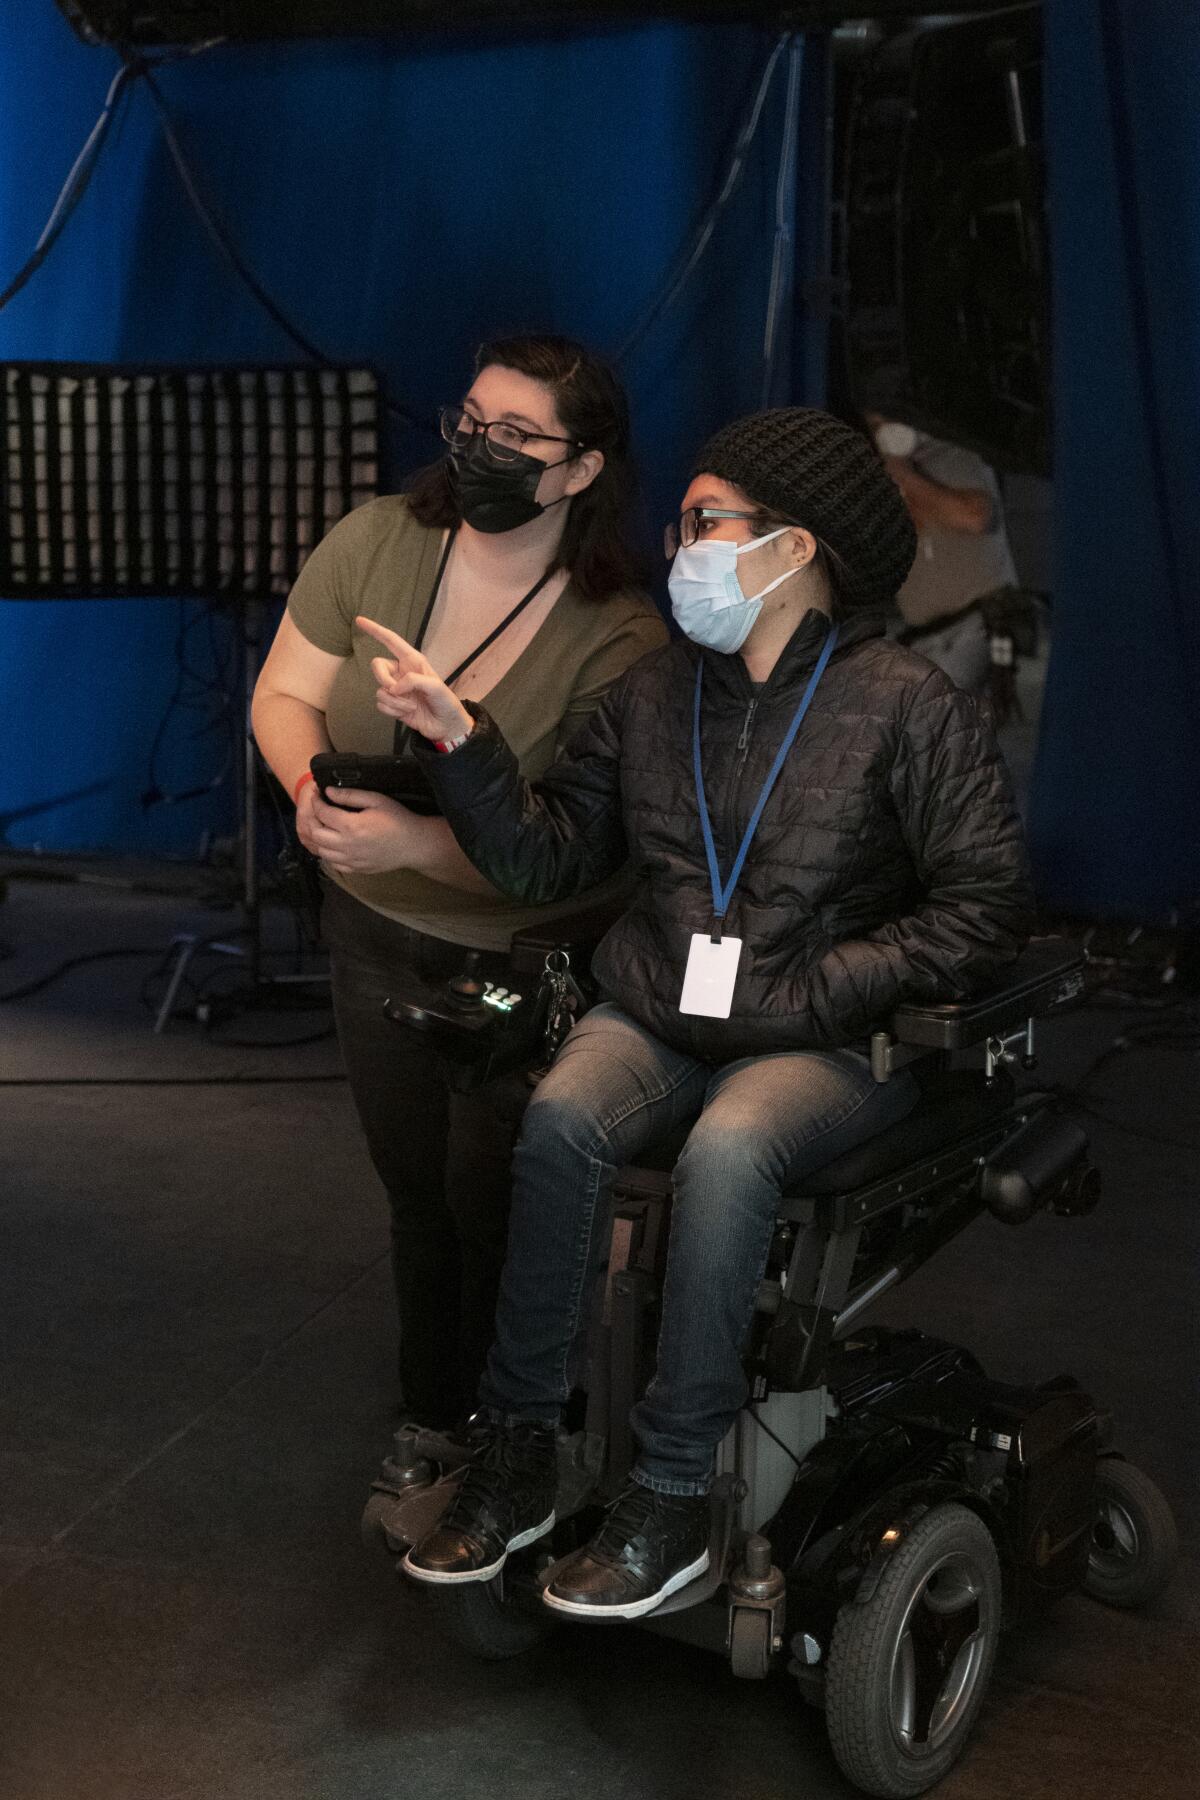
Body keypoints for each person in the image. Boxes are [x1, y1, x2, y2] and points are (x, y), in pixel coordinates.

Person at [356, 407, 1034, 1619]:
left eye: (709, 524)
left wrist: (826, 983)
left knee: (731, 1144)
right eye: (685, 524)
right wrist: (464, 745)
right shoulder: (654, 694)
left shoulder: (906, 703)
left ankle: (671, 1492)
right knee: (560, 1116)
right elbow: (549, 858)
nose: (685, 548)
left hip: (826, 1034)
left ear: (794, 547)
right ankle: (519, 1454)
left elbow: (981, 908)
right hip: (665, 1006)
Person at [250, 334, 667, 1431]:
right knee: (416, 1201)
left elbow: (583, 853)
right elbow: (283, 693)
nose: (482, 447)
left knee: (495, 1208)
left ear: (581, 469)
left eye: (517, 435)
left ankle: (513, 1434)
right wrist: (311, 796)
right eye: (472, 423)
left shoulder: (619, 633)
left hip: (516, 959)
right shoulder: (378, 540)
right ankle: (433, 1422)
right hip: (372, 931)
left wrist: (413, 848)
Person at [867, 414, 1018, 693]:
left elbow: (975, 516)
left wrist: (903, 474)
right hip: (923, 636)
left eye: (884, 419)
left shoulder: (952, 453)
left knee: (938, 711)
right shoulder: (880, 478)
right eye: (873, 423)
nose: (879, 430)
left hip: (977, 624)